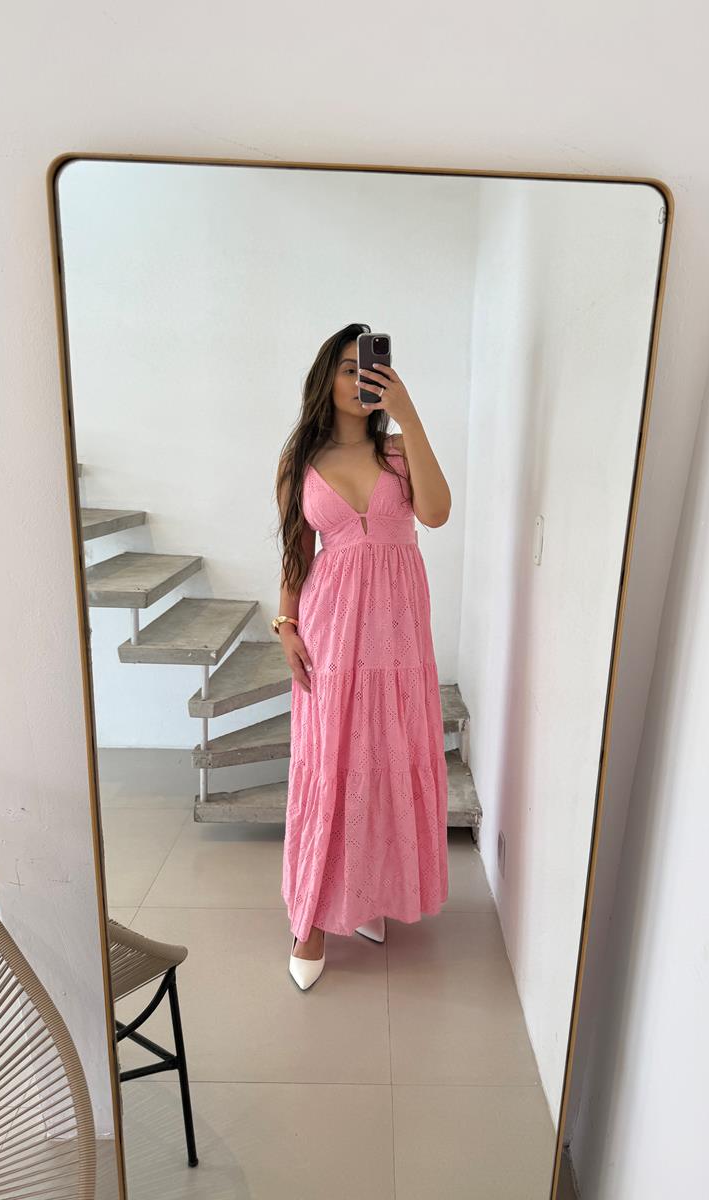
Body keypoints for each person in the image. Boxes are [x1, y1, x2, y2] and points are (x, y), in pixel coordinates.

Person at [273, 324, 452, 990]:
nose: (360, 379)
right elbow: (296, 552)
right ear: (327, 378)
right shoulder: (300, 460)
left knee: (385, 760)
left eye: (369, 368)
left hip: (398, 636)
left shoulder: (400, 452)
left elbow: (437, 514)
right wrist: (286, 624)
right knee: (331, 763)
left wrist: (409, 416)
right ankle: (311, 921)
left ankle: (368, 893)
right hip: (330, 628)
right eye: (347, 369)